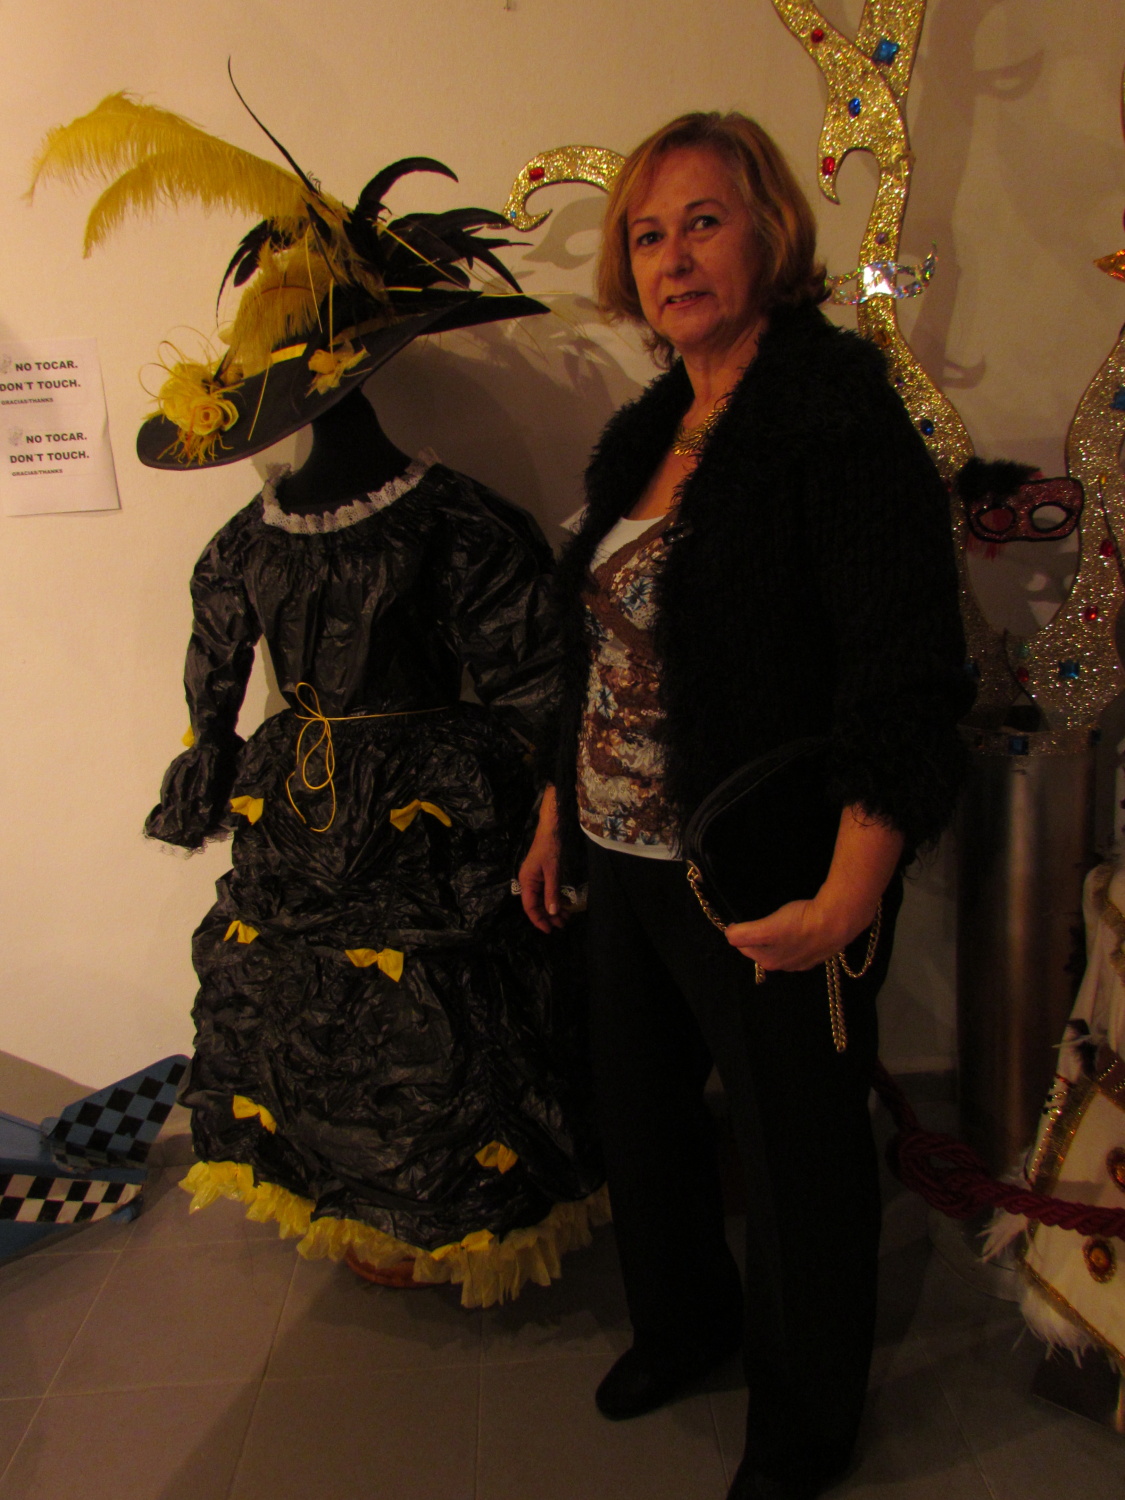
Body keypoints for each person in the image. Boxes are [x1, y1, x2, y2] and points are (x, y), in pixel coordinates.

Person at [32, 93, 605, 1308]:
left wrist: (541, 804)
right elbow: (213, 662)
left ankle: (446, 1217)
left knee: (437, 1012)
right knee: (313, 1009)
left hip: (427, 814)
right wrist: (208, 751)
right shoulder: (245, 545)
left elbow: (532, 674)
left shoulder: (453, 521)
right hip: (299, 810)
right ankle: (352, 1199)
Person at [519, 111, 971, 1499]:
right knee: (643, 1116)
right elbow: (599, 645)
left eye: (702, 222)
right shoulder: (649, 426)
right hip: (620, 854)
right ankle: (685, 1326)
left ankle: (804, 1424)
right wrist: (556, 805)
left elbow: (904, 669)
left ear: (769, 230)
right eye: (648, 233)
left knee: (796, 1153)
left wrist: (850, 894)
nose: (672, 257)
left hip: (768, 867)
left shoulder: (834, 415)